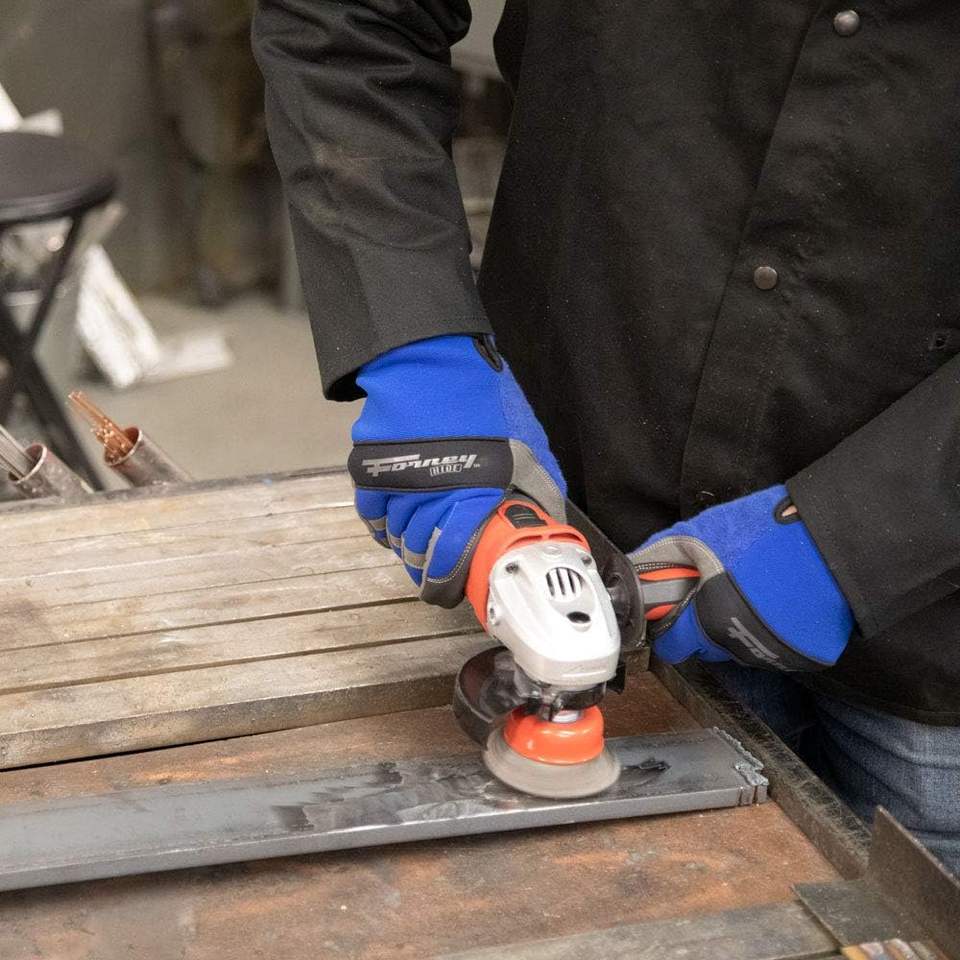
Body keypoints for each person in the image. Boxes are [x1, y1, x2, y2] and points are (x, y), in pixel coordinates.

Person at [252, 1, 960, 871]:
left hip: (938, 642)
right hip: (583, 494)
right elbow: (347, 20)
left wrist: (871, 532)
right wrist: (417, 346)